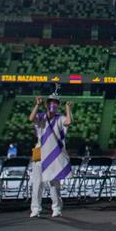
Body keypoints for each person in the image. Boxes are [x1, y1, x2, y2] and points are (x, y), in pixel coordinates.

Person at [28, 87, 73, 218]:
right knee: (37, 182)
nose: (52, 104)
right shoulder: (41, 117)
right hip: (39, 151)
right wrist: (37, 105)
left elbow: (69, 122)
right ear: (47, 104)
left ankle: (57, 208)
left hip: (54, 153)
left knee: (54, 182)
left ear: (58, 105)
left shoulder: (60, 118)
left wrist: (68, 109)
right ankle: (35, 209)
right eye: (50, 102)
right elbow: (31, 118)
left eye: (55, 102)